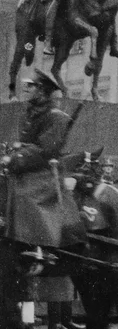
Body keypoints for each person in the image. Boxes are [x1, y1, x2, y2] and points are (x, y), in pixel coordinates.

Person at [1, 69, 86, 252]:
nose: (25, 89)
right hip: (27, 167)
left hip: (44, 172)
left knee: (25, 194)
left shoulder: (57, 117)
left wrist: (14, 158)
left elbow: (45, 149)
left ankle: (36, 246)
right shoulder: (30, 113)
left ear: (42, 90)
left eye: (30, 86)